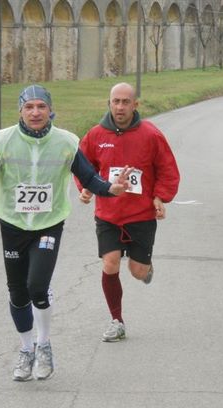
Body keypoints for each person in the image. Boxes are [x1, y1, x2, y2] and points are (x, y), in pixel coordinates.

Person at [0, 85, 131, 381]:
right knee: (17, 293)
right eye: (29, 107)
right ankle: (26, 350)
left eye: (41, 106)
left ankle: (44, 344)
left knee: (37, 286)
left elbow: (88, 176)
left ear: (50, 109)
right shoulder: (2, 142)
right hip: (12, 225)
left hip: (48, 224)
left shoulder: (65, 142)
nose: (36, 112)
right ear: (21, 111)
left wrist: (110, 189)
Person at [77, 82, 180, 343]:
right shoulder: (96, 135)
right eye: (115, 101)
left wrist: (160, 196)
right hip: (108, 214)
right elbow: (83, 165)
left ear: (136, 105)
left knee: (137, 271)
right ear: (108, 103)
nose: (120, 107)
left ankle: (146, 269)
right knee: (110, 263)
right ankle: (117, 321)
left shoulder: (151, 135)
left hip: (141, 214)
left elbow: (167, 169)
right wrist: (86, 188)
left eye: (125, 102)